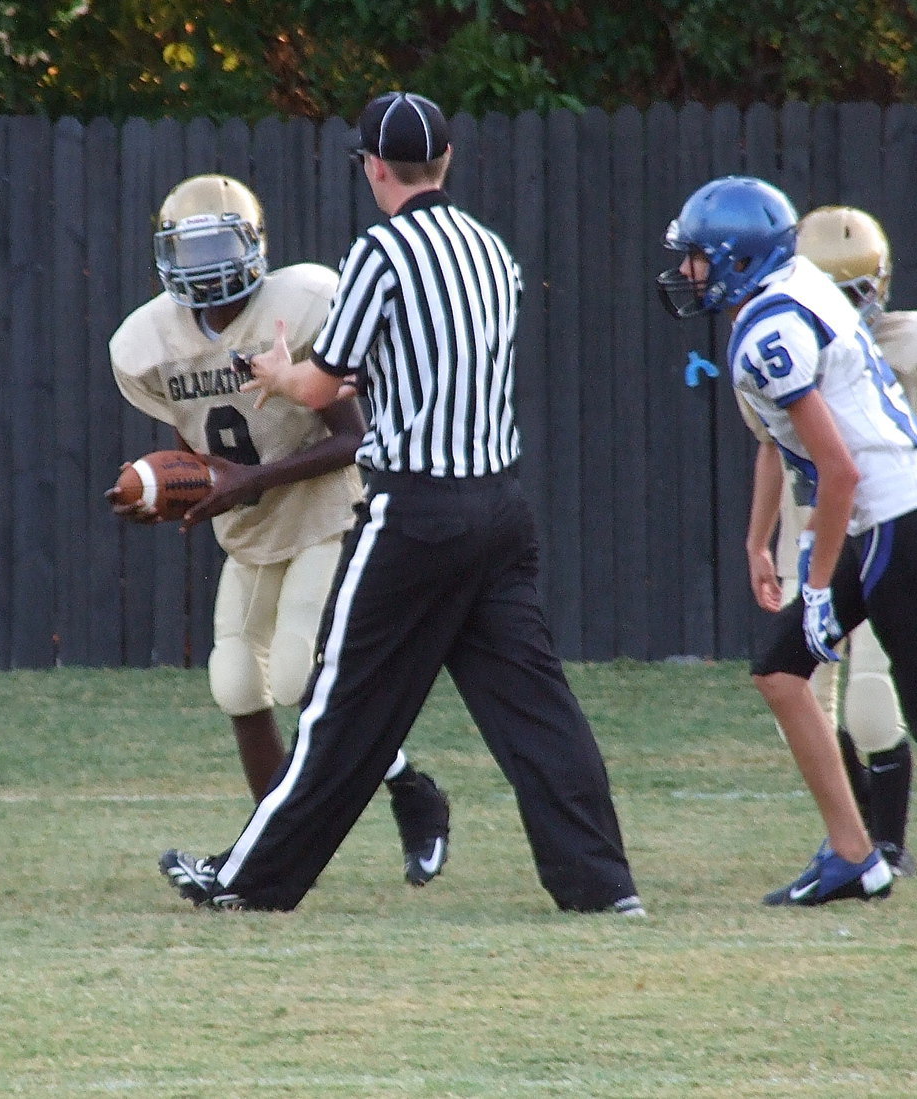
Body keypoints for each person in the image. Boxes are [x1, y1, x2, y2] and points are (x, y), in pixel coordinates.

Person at [158, 92, 644, 916]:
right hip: (502, 509)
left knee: (339, 705)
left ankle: (246, 881)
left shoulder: (381, 252)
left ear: (373, 167)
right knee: (538, 709)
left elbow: (324, 379)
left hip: (417, 508)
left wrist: (278, 375)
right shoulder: (492, 251)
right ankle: (602, 886)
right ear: (445, 161)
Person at [657, 175, 917, 907]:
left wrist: (819, 585)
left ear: (736, 258)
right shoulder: (792, 285)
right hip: (905, 505)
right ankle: (859, 854)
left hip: (890, 509)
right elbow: (798, 452)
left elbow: (839, 469)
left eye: (698, 257)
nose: (687, 272)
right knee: (784, 672)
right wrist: (761, 543)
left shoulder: (768, 333)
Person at [108, 173, 450, 887]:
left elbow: (358, 437)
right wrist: (165, 490)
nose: (205, 268)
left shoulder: (299, 306)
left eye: (217, 247)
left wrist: (248, 481)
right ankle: (274, 852)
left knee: (299, 672)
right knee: (235, 681)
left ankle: (412, 790)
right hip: (251, 532)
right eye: (189, 251)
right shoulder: (147, 343)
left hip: (327, 513)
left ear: (253, 246)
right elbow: (199, 451)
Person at [738, 205, 917, 879]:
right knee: (800, 683)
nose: (850, 303)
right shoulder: (780, 335)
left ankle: (888, 844)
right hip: (816, 522)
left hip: (887, 519)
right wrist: (758, 542)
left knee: (877, 701)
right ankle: (851, 843)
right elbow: (770, 449)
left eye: (858, 288)